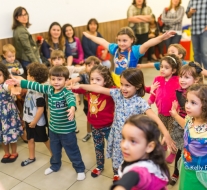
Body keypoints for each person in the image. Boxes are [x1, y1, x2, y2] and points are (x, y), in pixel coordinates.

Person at [70, 68, 176, 181]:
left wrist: (167, 134)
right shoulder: (117, 94)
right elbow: (98, 88)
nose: (123, 88)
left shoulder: (140, 102)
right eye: (121, 84)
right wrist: (80, 87)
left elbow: (155, 118)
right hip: (117, 136)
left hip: (132, 139)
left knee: (131, 161)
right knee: (118, 158)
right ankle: (119, 173)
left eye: (127, 85)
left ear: (138, 86)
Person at [7, 66, 86, 180]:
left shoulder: (66, 92)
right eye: (53, 79)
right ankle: (55, 166)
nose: (56, 82)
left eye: (59, 79)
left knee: (72, 150)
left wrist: (72, 108)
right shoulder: (49, 89)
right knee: (54, 150)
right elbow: (35, 85)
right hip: (53, 130)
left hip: (67, 131)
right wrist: (19, 82)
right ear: (50, 80)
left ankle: (79, 169)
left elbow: (71, 100)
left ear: (66, 80)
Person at [82, 26, 175, 87]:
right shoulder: (115, 49)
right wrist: (90, 36)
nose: (121, 43)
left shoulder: (135, 51)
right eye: (119, 40)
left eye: (124, 40)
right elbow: (102, 41)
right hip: (116, 80)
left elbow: (147, 44)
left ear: (132, 40)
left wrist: (162, 37)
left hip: (130, 81)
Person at [72, 65, 115, 177]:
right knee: (98, 148)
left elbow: (124, 90)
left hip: (109, 127)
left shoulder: (111, 91)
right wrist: (68, 85)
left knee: (114, 150)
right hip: (95, 127)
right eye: (92, 79)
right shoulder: (89, 90)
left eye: (98, 79)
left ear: (106, 81)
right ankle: (100, 166)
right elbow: (76, 88)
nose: (94, 82)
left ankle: (117, 172)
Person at [110, 115, 169, 190]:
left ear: (149, 147)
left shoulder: (143, 171)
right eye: (124, 138)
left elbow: (136, 175)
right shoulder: (151, 160)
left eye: (133, 141)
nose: (124, 145)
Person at [168, 62, 203, 186]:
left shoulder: (201, 93)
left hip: (197, 126)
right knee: (181, 150)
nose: (182, 80)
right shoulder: (179, 91)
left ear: (196, 80)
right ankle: (177, 172)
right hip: (183, 124)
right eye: (181, 76)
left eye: (186, 77)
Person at [170, 84, 207, 190]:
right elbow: (185, 125)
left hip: (202, 175)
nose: (187, 106)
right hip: (186, 169)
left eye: (193, 103)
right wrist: (175, 115)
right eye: (187, 101)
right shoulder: (190, 119)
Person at [148, 54, 181, 161]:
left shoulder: (178, 80)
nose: (162, 69)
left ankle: (173, 151)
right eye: (161, 66)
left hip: (173, 113)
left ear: (173, 70)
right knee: (163, 131)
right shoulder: (157, 79)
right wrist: (149, 101)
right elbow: (153, 92)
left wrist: (179, 109)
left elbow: (181, 95)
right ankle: (164, 145)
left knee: (172, 133)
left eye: (166, 68)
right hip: (161, 112)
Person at [21, 62, 51, 166]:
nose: (26, 76)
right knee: (30, 139)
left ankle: (54, 155)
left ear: (33, 77)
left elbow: (40, 109)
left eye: (28, 74)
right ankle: (31, 157)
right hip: (29, 119)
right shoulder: (30, 87)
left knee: (45, 139)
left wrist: (34, 122)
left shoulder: (39, 91)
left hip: (37, 122)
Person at [69, 56, 101, 142]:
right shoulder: (84, 75)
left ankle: (99, 131)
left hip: (99, 101)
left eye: (94, 65)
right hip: (88, 101)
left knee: (99, 117)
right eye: (89, 65)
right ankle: (89, 133)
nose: (92, 67)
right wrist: (72, 81)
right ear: (85, 66)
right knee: (89, 118)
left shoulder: (101, 75)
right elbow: (78, 78)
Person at [0, 63, 23, 163]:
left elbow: (9, 87)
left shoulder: (5, 84)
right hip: (1, 116)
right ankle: (6, 152)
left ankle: (14, 152)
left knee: (12, 133)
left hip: (8, 114)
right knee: (2, 134)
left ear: (4, 75)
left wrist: (13, 89)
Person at [12, 7, 41, 72]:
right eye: (21, 15)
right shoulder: (21, 31)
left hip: (26, 59)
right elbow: (27, 49)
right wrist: (37, 63)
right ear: (16, 18)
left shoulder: (18, 29)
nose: (24, 17)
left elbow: (29, 46)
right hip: (28, 60)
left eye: (25, 14)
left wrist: (37, 44)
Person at [186, 0, 207, 70]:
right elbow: (188, 15)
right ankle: (198, 72)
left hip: (204, 30)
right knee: (196, 53)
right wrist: (190, 12)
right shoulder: (191, 1)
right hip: (194, 30)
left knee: (204, 52)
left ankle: (206, 72)